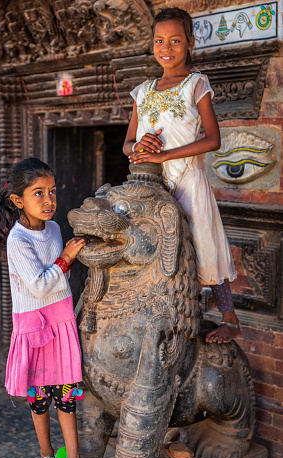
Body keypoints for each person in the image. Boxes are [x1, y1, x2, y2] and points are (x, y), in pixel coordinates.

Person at [123, 7, 240, 344]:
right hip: (148, 184)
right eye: (159, 40)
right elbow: (127, 144)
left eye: (175, 40)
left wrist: (165, 154)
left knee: (203, 244)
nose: (166, 47)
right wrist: (138, 147)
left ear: (189, 42)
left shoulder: (196, 84)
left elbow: (213, 140)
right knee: (155, 248)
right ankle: (171, 318)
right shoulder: (142, 91)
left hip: (187, 181)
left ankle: (230, 319)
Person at [0, 157, 91, 458]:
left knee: (68, 398)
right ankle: (47, 456)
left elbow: (56, 286)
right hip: (34, 327)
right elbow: (39, 284)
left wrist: (63, 256)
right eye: (38, 193)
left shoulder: (53, 228)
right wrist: (66, 259)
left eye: (52, 191)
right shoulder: (17, 239)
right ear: (18, 200)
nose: (49, 200)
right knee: (39, 401)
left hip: (61, 323)